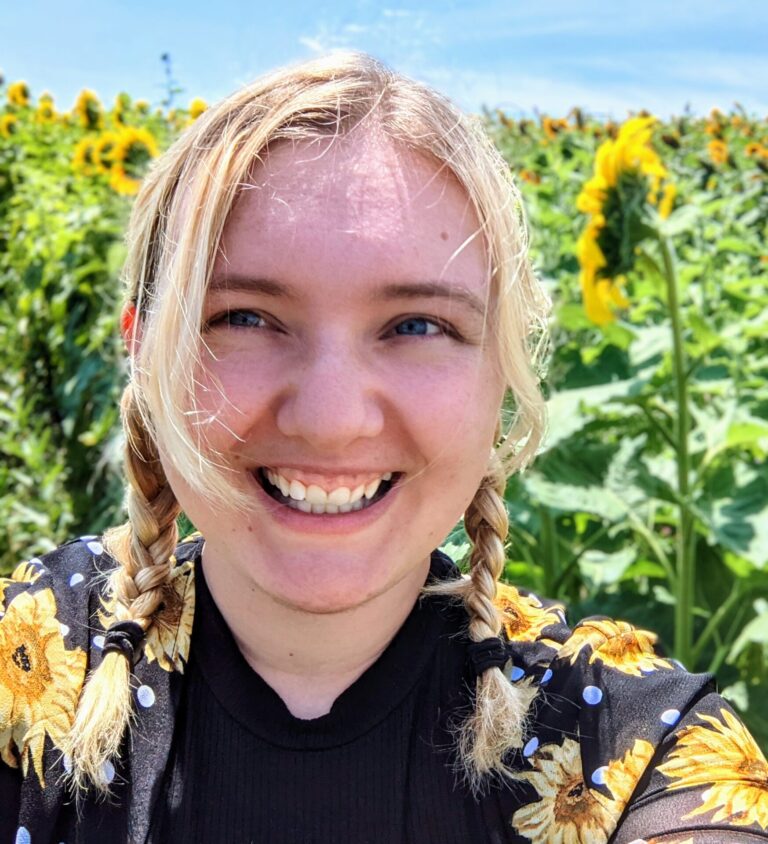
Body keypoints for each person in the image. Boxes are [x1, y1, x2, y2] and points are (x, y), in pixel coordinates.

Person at [1, 52, 766, 844]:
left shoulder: (633, 749)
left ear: (503, 372)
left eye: (417, 326)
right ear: (143, 352)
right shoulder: (27, 674)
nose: (332, 420)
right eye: (244, 318)